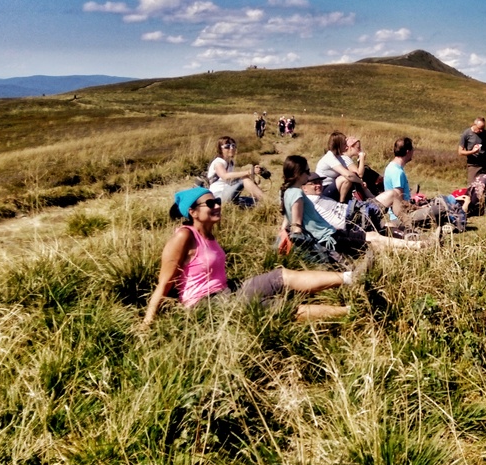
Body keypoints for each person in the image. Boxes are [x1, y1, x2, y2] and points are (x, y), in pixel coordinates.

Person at [141, 187, 350, 327]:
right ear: (193, 212)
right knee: (276, 307)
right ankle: (348, 312)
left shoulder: (209, 235)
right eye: (210, 203)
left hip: (227, 291)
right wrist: (147, 324)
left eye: (218, 201)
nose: (217, 206)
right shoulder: (184, 236)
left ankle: (350, 278)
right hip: (204, 305)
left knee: (280, 275)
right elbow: (164, 284)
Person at [281, 155, 426, 255]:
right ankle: (419, 245)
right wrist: (298, 242)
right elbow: (296, 225)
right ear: (298, 174)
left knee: (375, 238)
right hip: (331, 236)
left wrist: (283, 234)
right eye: (306, 172)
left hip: (334, 231)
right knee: (375, 238)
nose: (308, 175)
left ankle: (414, 246)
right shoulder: (298, 194)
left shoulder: (288, 193)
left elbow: (287, 220)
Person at [207, 136, 266, 204]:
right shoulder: (218, 162)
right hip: (218, 196)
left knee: (255, 202)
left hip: (227, 194)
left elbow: (231, 180)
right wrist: (249, 172)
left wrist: (253, 176)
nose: (231, 148)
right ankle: (268, 201)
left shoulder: (230, 162)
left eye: (233, 145)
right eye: (227, 146)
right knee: (244, 179)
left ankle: (267, 202)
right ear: (220, 149)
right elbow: (225, 176)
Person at [315, 131, 366, 203]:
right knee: (346, 178)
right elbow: (348, 175)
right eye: (344, 144)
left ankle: (368, 199)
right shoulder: (330, 157)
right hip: (323, 188)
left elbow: (356, 173)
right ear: (338, 145)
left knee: (352, 176)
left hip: (332, 187)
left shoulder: (339, 157)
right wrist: (360, 181)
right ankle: (341, 203)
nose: (347, 146)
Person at [458, 117, 486, 185]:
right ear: (474, 125)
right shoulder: (466, 134)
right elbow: (460, 152)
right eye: (479, 128)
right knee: (471, 185)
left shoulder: (484, 133)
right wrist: (473, 152)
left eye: (483, 128)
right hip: (474, 163)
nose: (481, 131)